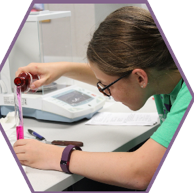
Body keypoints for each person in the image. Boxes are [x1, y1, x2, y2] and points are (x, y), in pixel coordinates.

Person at [13, 6, 191, 191]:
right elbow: (116, 77)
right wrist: (63, 68)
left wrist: (55, 155)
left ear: (140, 78)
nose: (106, 92)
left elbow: (141, 172)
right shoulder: (162, 75)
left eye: (107, 87)